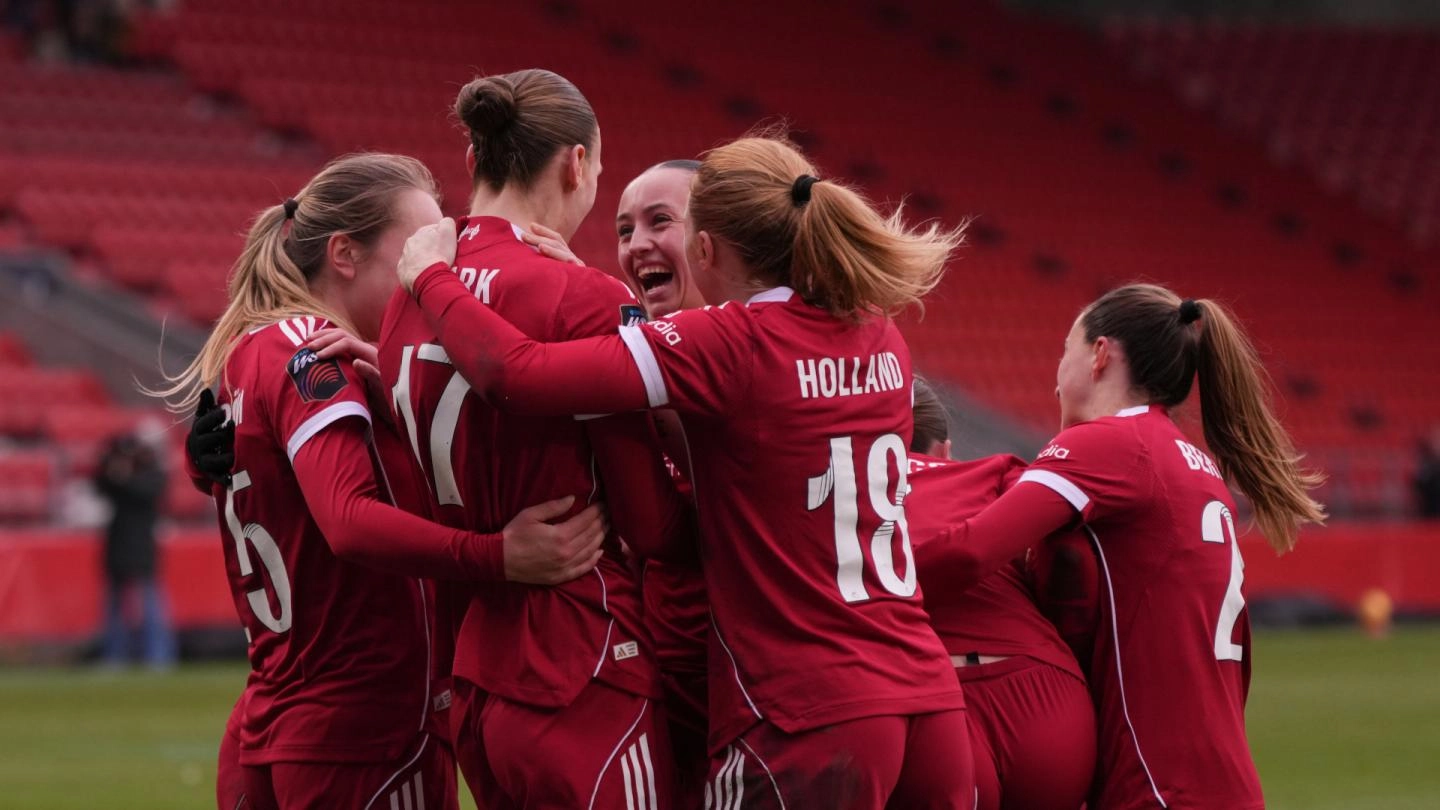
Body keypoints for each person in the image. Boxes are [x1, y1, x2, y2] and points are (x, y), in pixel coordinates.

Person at [384, 133, 974, 808]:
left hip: (804, 707)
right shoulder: (879, 334)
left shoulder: (726, 344)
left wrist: (433, 278)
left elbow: (513, 374)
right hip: (924, 697)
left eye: (666, 223)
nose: (640, 243)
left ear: (706, 249)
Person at [152, 153, 606, 810]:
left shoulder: (255, 348)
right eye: (417, 249)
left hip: (279, 721)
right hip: (366, 730)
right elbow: (349, 518)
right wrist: (499, 556)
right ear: (344, 255)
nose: (431, 272)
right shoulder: (311, 348)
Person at [371, 70, 679, 810]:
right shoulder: (578, 294)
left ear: (474, 163)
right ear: (577, 164)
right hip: (584, 662)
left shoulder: (406, 300)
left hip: (478, 668)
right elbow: (653, 526)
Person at [920, 284, 1326, 809]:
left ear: (1099, 355)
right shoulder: (1193, 468)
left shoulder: (1109, 445)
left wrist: (856, 587)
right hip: (1220, 781)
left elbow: (970, 552)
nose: (1055, 378)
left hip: (1155, 786)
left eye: (1064, 350)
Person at [905, 377, 1095, 810]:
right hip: (1045, 696)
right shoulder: (997, 471)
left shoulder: (847, 496)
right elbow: (1070, 555)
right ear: (946, 451)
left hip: (932, 701)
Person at [93, 421, 176, 669]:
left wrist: (123, 474)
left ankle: (159, 656)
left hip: (141, 544)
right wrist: (113, 466)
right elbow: (100, 485)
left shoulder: (153, 472)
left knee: (150, 602)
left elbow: (143, 491)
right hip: (119, 542)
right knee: (114, 605)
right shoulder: (119, 473)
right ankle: (114, 655)